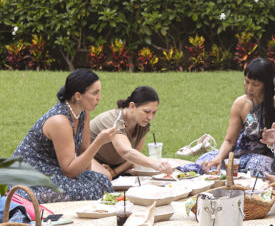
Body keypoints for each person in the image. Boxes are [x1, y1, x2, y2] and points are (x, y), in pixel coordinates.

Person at [11, 69, 118, 203]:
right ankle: (30, 198)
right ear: (78, 96)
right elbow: (70, 171)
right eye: (95, 93)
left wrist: (87, 177)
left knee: (102, 181)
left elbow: (84, 153)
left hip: (54, 171)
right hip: (31, 175)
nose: (99, 97)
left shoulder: (83, 112)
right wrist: (99, 142)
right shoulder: (59, 121)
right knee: (82, 192)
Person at [189, 57, 275, 175]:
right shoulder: (240, 104)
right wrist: (219, 157)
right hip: (238, 155)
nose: (249, 88)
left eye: (255, 84)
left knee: (256, 167)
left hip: (264, 157)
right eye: (246, 82)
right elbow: (230, 141)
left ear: (267, 84)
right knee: (204, 162)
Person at [90, 85, 174, 177]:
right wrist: (155, 164)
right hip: (85, 156)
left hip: (112, 165)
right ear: (132, 106)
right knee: (105, 177)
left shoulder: (142, 124)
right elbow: (126, 152)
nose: (150, 117)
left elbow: (135, 157)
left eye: (154, 113)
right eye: (146, 111)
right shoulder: (116, 121)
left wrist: (114, 172)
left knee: (140, 174)